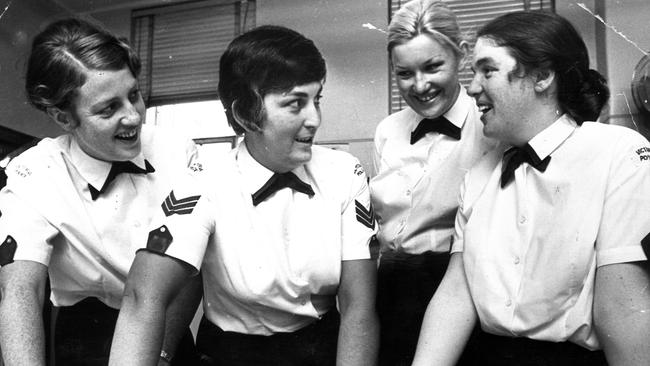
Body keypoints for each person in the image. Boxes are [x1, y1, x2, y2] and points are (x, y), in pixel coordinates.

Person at [109, 25, 379, 366]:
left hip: (317, 350)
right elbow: (142, 295)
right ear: (245, 114)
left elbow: (359, 309)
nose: (316, 119)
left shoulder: (345, 173)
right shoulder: (204, 178)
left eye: (316, 99)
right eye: (295, 104)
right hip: (228, 355)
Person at [412, 10, 650, 366]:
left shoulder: (619, 152)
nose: (473, 87)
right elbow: (456, 293)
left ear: (541, 77)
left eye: (487, 70)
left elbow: (622, 305)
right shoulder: (479, 174)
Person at [0, 18, 201, 366]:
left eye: (134, 96)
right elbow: (20, 291)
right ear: (64, 118)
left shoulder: (179, 154)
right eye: (109, 109)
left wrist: (163, 354)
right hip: (84, 334)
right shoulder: (33, 171)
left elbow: (191, 273)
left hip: (166, 328)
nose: (133, 117)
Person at [369, 1, 495, 364]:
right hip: (392, 286)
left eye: (433, 67)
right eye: (404, 73)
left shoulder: (491, 125)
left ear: (463, 55)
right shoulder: (387, 131)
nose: (419, 85)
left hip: (462, 285)